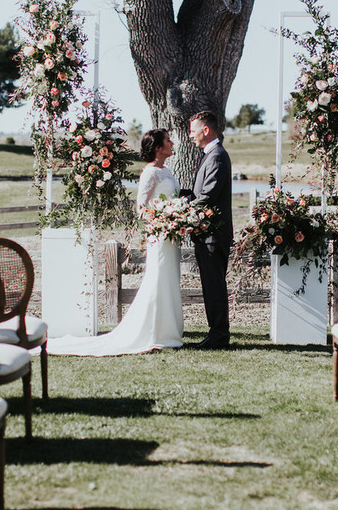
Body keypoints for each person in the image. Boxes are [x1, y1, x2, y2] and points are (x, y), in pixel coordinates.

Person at [46, 128, 183, 356]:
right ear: (158, 147)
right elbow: (141, 208)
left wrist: (178, 215)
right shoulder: (150, 173)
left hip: (172, 236)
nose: (171, 143)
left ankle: (169, 331)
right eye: (167, 140)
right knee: (157, 279)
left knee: (170, 278)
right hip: (159, 235)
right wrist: (164, 219)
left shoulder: (167, 170)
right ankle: (152, 332)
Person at [188, 110, 233, 349]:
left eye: (193, 131)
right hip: (208, 234)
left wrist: (181, 208)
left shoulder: (216, 156)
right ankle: (215, 333)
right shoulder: (211, 155)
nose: (190, 135)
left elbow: (207, 196)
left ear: (206, 130)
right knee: (211, 285)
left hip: (214, 234)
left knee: (215, 286)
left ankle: (219, 336)